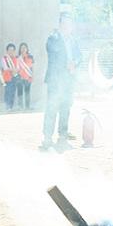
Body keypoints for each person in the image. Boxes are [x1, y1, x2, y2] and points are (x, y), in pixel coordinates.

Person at [40, 13, 81, 151]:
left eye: (70, 24)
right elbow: (54, 54)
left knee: (65, 109)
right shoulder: (53, 38)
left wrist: (74, 63)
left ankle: (62, 138)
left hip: (69, 80)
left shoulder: (73, 40)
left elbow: (79, 56)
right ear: (60, 24)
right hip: (56, 80)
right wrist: (67, 64)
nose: (68, 26)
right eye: (65, 23)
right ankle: (47, 138)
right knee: (52, 109)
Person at [1, 43, 19, 110]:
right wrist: (13, 69)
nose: (11, 52)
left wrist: (14, 70)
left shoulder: (16, 58)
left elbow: (18, 67)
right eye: (9, 50)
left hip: (14, 77)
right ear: (7, 51)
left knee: (13, 92)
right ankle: (7, 106)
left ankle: (11, 106)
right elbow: (5, 68)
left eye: (12, 50)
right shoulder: (4, 58)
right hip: (7, 78)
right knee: (7, 92)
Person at [16, 42, 34, 110]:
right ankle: (20, 106)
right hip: (19, 77)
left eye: (24, 47)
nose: (23, 49)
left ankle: (27, 106)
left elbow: (32, 67)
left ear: (27, 49)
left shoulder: (30, 56)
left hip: (28, 76)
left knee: (27, 92)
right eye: (22, 48)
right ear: (20, 49)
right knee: (19, 92)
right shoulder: (17, 57)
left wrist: (32, 75)